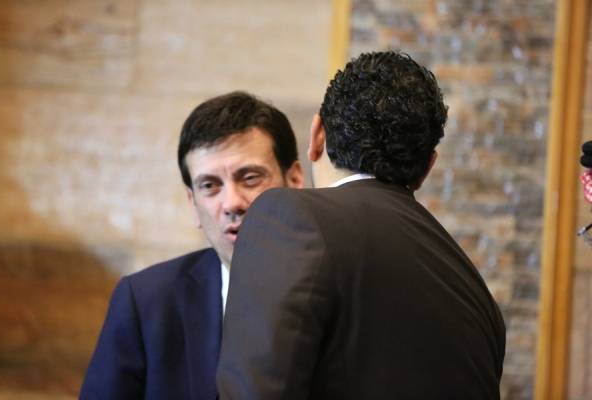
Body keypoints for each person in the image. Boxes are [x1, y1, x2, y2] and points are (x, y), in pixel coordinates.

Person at [217, 52, 506, 399]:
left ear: (317, 135)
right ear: (427, 168)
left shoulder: (289, 217)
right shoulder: (474, 290)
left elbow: (256, 389)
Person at [80, 91, 304, 399]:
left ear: (295, 181)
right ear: (192, 203)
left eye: (250, 178)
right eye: (209, 186)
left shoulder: (345, 290)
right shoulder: (147, 302)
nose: (232, 203)